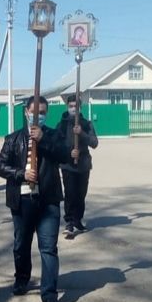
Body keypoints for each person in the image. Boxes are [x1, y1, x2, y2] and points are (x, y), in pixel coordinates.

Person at [0, 95, 77, 302]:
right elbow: (0, 166)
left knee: (48, 248)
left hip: (48, 200)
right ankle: (22, 278)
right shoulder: (13, 139)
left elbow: (65, 155)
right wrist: (20, 173)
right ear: (26, 112)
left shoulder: (54, 135)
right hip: (22, 202)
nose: (38, 116)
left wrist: (44, 140)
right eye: (34, 112)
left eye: (42, 113)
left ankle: (49, 295)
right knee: (21, 245)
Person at [56, 95, 98, 237]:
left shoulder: (86, 124)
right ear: (67, 107)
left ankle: (78, 220)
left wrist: (82, 133)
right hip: (68, 165)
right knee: (70, 193)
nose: (73, 109)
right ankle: (69, 222)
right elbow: (56, 145)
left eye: (76, 106)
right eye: (71, 106)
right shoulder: (61, 125)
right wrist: (69, 152)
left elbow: (94, 143)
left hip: (83, 166)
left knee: (81, 194)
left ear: (80, 108)